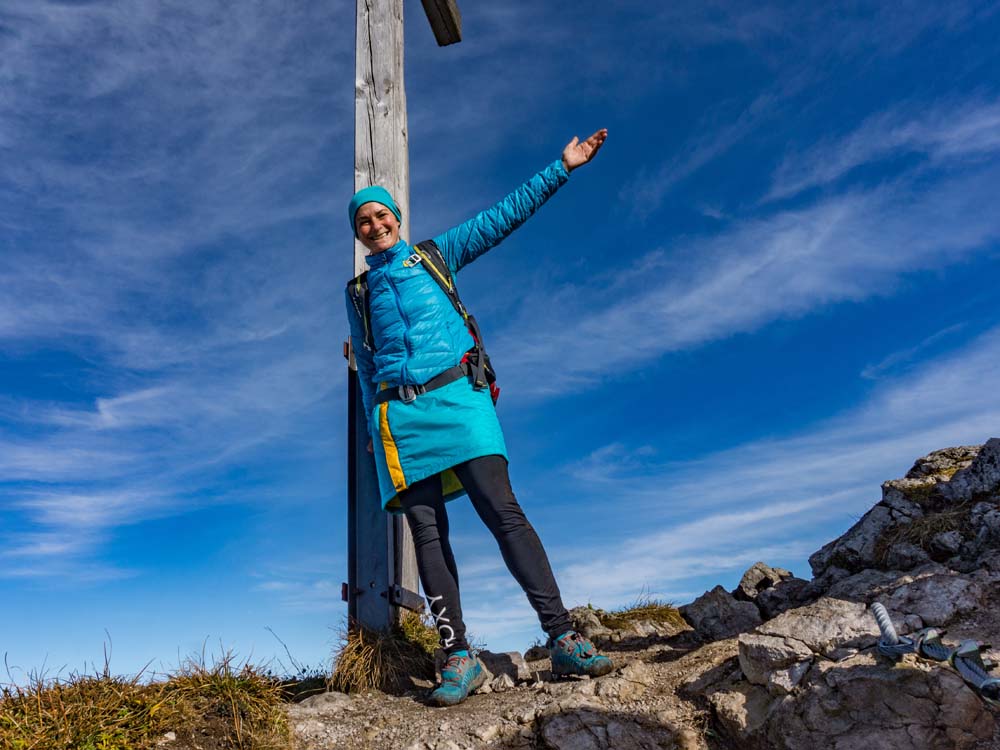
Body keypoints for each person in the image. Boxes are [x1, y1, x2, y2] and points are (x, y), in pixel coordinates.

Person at [346, 129, 611, 707]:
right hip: (400, 419)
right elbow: (366, 367)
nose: (374, 225)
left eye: (380, 215)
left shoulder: (437, 256)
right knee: (428, 535)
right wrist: (374, 429)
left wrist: (561, 167)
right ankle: (458, 657)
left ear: (396, 218)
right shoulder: (359, 293)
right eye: (363, 221)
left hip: (461, 402)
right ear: (359, 233)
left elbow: (502, 216)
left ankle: (563, 636)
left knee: (503, 514)